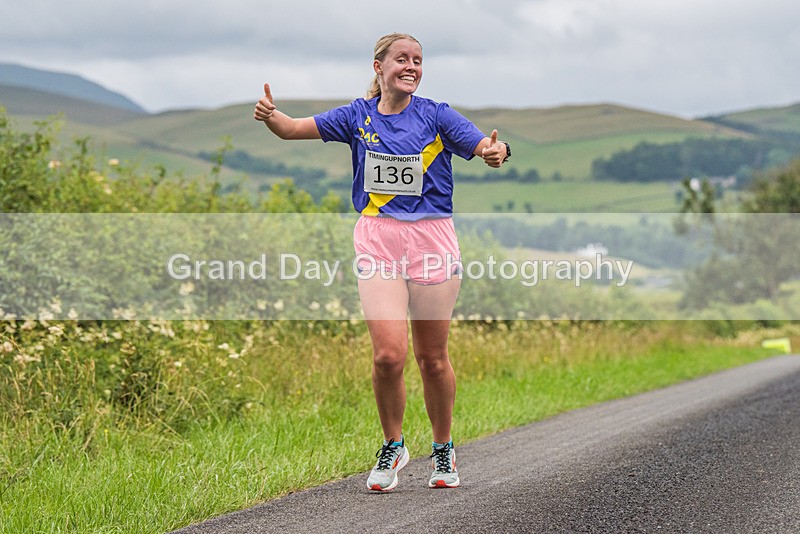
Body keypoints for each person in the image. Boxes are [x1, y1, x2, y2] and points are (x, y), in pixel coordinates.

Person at [254, 32, 510, 492]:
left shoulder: (436, 114)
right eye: (402, 59)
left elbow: (486, 147)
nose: (411, 67)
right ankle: (394, 444)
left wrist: (497, 152)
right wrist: (271, 116)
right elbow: (292, 129)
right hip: (378, 239)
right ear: (379, 66)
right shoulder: (357, 115)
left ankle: (443, 447)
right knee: (389, 356)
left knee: (432, 358)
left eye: (418, 60)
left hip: (431, 238)